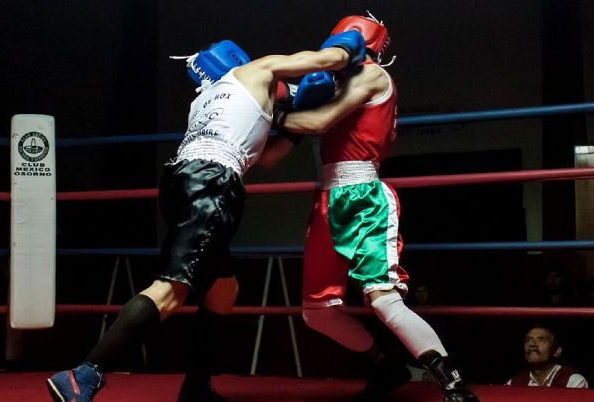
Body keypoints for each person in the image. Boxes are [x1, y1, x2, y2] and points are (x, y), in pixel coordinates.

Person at [46, 35, 366, 402]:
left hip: (180, 179)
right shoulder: (257, 69)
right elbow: (322, 61)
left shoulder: (206, 98)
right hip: (213, 183)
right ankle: (84, 375)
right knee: (173, 288)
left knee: (223, 291)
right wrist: (347, 48)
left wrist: (288, 126)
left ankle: (196, 387)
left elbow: (267, 157)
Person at [276, 14, 479, 402]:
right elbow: (282, 148)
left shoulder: (371, 76)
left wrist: (272, 107)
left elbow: (321, 121)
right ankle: (386, 365)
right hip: (326, 201)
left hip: (364, 195)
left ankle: (454, 385)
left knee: (383, 299)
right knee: (316, 312)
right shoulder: (331, 83)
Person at [507, 325, 587, 388]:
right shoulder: (515, 382)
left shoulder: (573, 381)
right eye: (528, 340)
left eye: (540, 340)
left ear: (557, 351)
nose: (531, 344)